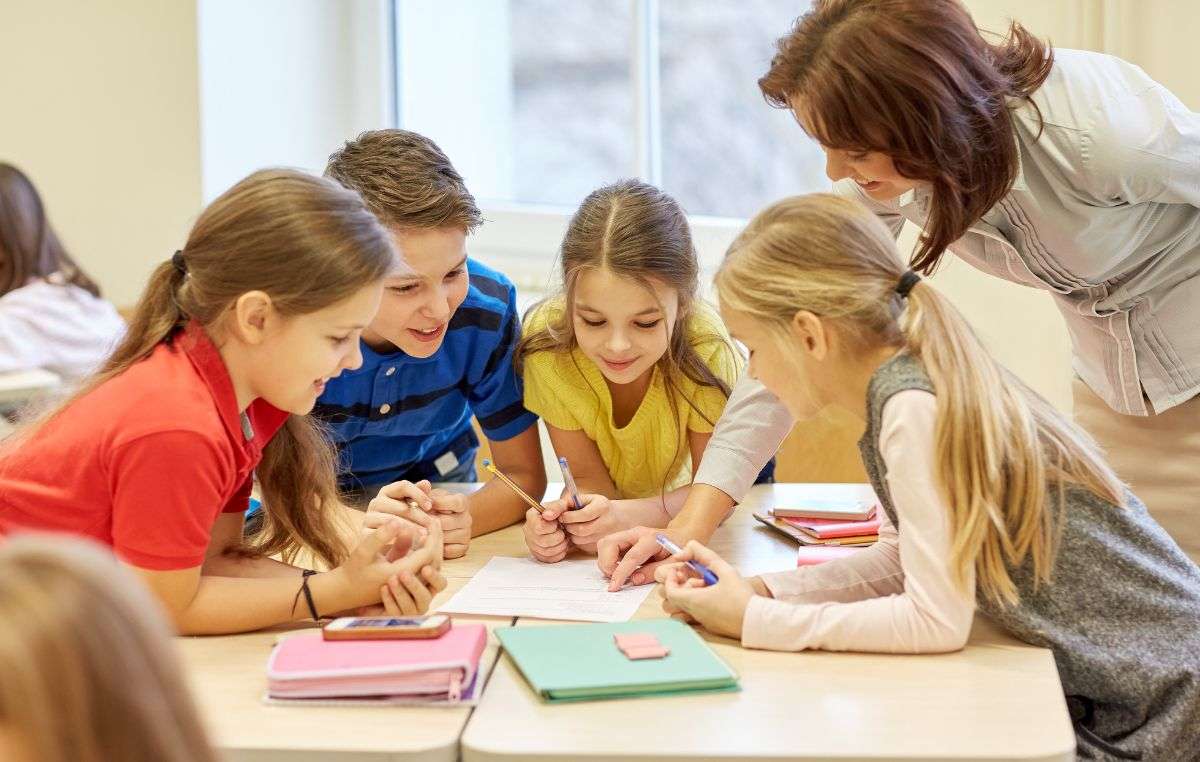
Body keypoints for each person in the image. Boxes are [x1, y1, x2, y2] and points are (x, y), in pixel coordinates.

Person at [658, 193, 1200, 760]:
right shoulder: (908, 386)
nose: (756, 373)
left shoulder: (913, 408)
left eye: (754, 349)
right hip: (1141, 691)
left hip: (1165, 707)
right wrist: (763, 590)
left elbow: (933, 621)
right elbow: (905, 566)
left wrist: (755, 619)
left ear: (810, 336)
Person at [0, 169, 445, 634]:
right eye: (338, 337)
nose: (353, 360)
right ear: (255, 318)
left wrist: (357, 593)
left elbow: (213, 563)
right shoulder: (177, 422)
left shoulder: (246, 397)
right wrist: (338, 592)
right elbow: (169, 608)